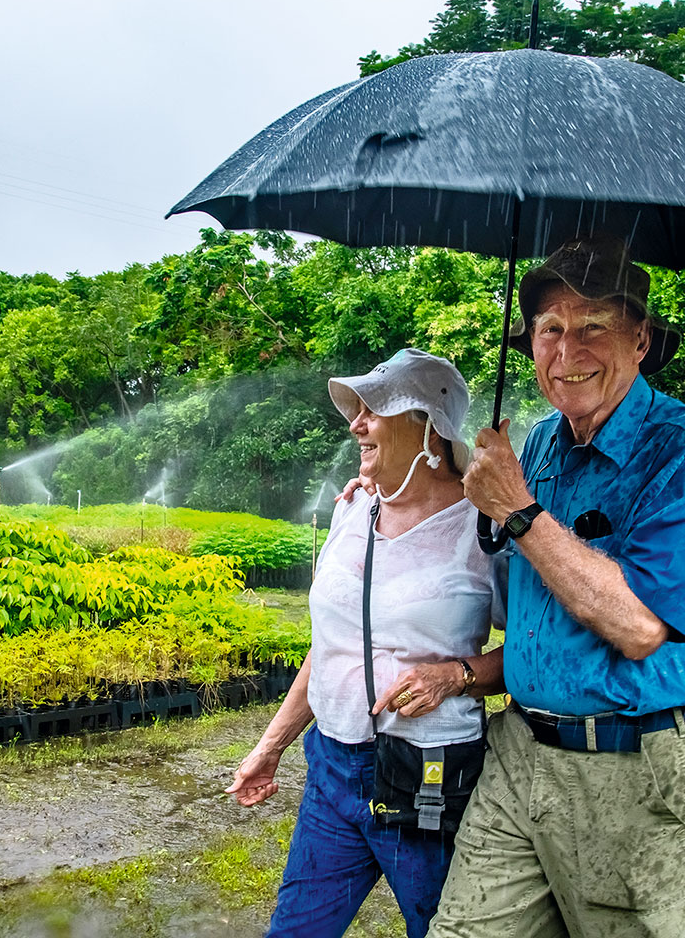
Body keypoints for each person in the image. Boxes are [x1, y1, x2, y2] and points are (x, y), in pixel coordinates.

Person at [425, 234, 685, 937]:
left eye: (594, 326)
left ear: (641, 339)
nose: (568, 353)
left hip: (633, 774)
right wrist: (397, 492)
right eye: (550, 330)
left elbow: (637, 626)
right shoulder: (535, 446)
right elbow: (530, 610)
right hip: (518, 757)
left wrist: (517, 509)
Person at [226, 348, 505, 938]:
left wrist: (454, 675)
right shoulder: (353, 510)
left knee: (443, 931)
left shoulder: (486, 528)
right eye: (356, 409)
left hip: (426, 776)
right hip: (332, 768)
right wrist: (271, 746)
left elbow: (539, 650)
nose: (356, 424)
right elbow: (331, 649)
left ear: (429, 426)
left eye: (374, 409)